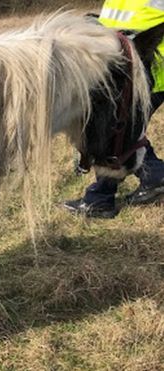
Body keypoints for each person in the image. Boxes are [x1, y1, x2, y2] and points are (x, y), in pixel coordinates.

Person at [64, 0, 164, 218]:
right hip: (128, 65)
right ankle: (154, 176)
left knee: (116, 129)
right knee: (123, 129)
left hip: (148, 68)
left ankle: (100, 200)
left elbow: (142, 27)